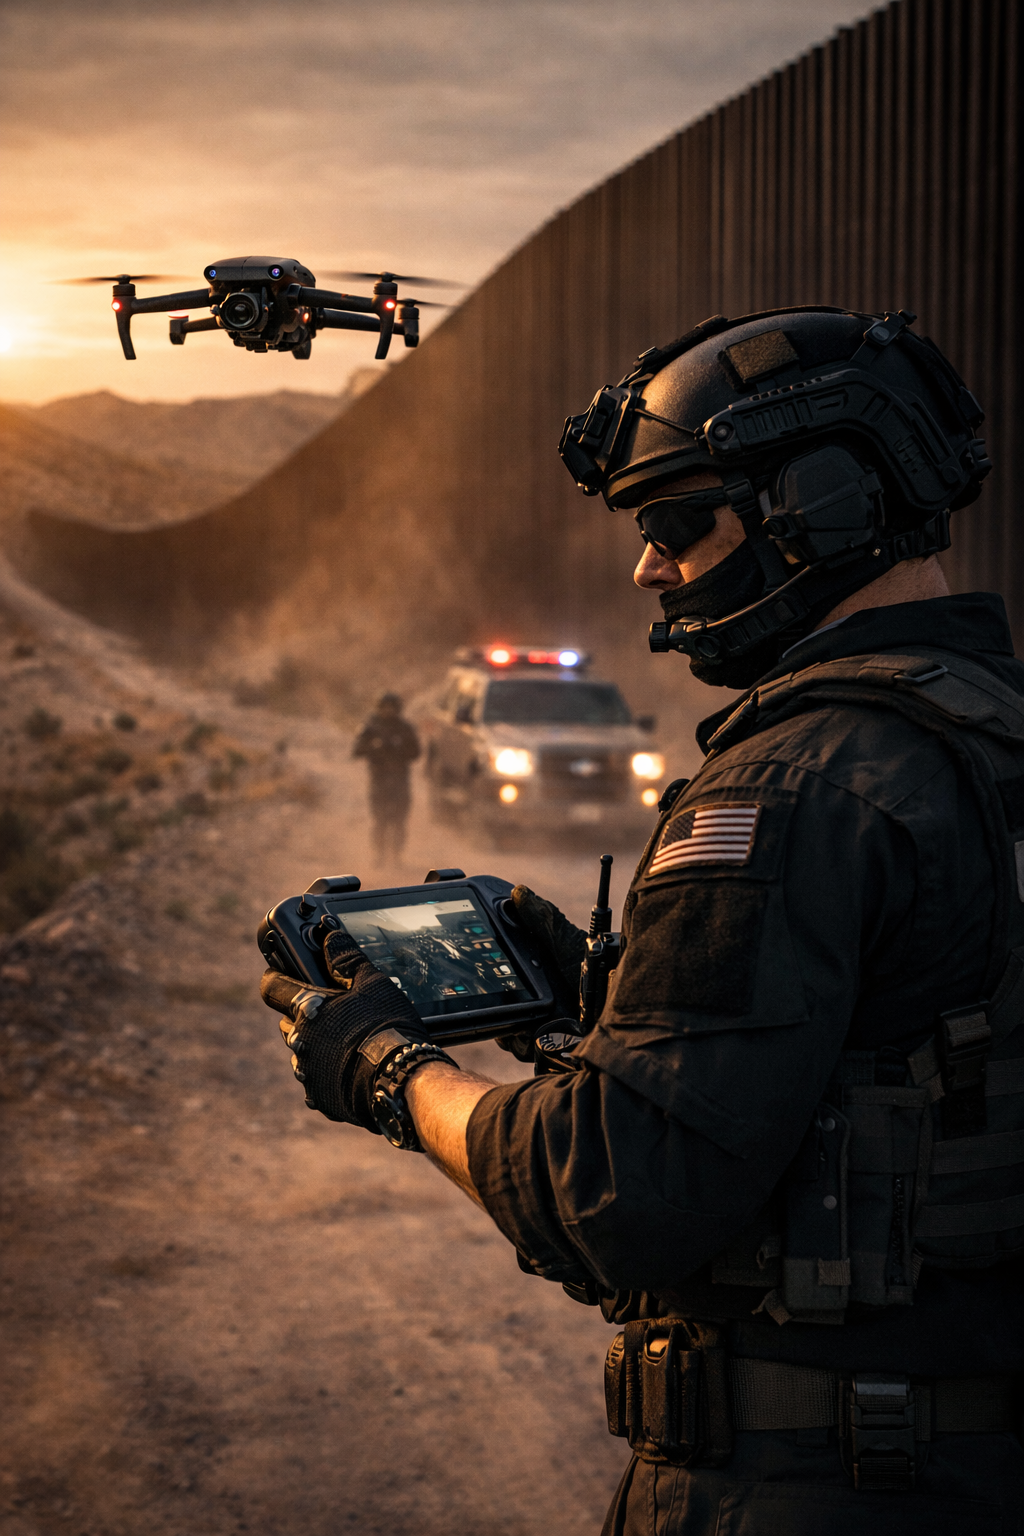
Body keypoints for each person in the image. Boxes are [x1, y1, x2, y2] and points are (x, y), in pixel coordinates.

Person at [263, 307, 1024, 1533]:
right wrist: (607, 999)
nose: (648, 567)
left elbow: (610, 1192)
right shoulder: (984, 738)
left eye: (676, 522)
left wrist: (387, 1072)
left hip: (817, 1488)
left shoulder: (792, 785)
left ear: (817, 505)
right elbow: (925, 1038)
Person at [352, 692, 420, 862]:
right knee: (380, 820)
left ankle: (396, 855)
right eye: (385, 708)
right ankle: (379, 854)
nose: (388, 712)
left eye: (392, 708)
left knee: (399, 821)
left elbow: (416, 752)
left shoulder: (405, 728)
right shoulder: (370, 727)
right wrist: (374, 747)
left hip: (400, 780)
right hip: (379, 780)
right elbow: (357, 750)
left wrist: (400, 749)